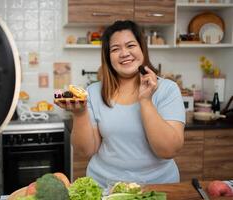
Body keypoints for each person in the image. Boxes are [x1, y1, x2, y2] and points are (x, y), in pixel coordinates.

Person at [55, 20, 185, 188]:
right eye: (115, 49)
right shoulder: (94, 92)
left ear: (142, 48)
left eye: (131, 45)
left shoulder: (167, 89)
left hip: (157, 187)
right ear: (108, 57)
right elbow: (85, 150)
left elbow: (168, 150)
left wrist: (145, 100)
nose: (124, 53)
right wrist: (80, 114)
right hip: (105, 187)